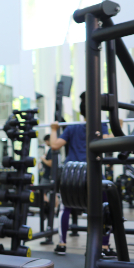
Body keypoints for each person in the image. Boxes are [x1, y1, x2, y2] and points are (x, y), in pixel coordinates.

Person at [49, 92, 112, 256]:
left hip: (74, 176)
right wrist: (116, 127)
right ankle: (104, 246)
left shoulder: (72, 127)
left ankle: (62, 244)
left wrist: (53, 129)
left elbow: (55, 145)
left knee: (66, 207)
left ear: (82, 112)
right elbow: (108, 144)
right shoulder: (101, 126)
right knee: (107, 207)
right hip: (94, 174)